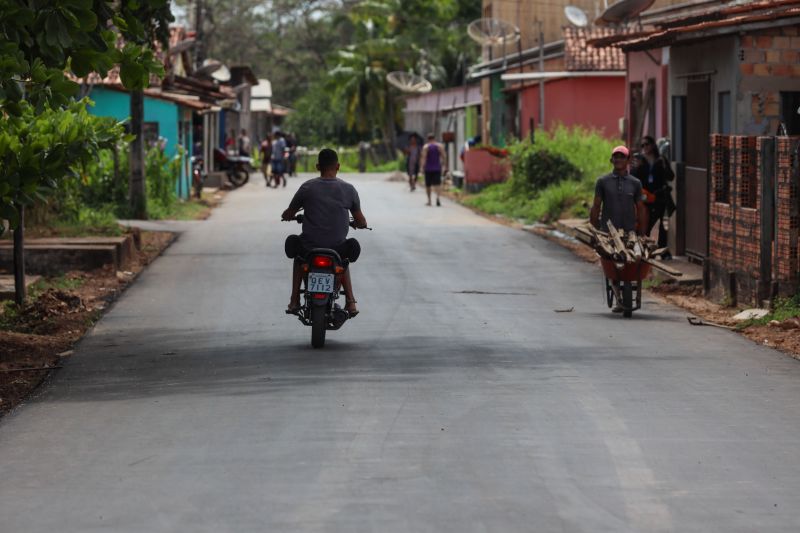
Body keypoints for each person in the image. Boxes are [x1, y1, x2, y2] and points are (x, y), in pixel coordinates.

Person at [281, 148, 367, 316]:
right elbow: (362, 221)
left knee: (298, 258)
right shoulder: (349, 189)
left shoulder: (307, 187)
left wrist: (288, 216)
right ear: (338, 166)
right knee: (344, 260)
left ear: (317, 166)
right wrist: (358, 224)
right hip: (337, 248)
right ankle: (350, 302)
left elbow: (289, 212)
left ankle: (294, 300)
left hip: (309, 248)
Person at [590, 145, 649, 312]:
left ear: (628, 160)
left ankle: (625, 294)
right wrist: (596, 232)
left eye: (622, 157)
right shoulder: (602, 182)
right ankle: (617, 293)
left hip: (629, 233)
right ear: (611, 160)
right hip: (609, 234)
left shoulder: (635, 183)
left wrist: (642, 233)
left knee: (631, 262)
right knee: (614, 263)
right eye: (615, 157)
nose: (618, 160)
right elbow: (596, 206)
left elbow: (641, 208)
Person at [633, 135, 675, 258]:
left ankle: (663, 252)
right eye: (642, 145)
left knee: (662, 226)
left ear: (652, 145)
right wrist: (638, 166)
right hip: (646, 197)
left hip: (660, 197)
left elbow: (671, 177)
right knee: (646, 224)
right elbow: (634, 177)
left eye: (647, 144)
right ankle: (645, 249)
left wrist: (665, 165)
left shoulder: (660, 159)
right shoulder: (640, 160)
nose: (644, 147)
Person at [420, 132, 447, 206]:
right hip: (437, 168)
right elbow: (444, 156)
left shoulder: (426, 147)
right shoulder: (439, 146)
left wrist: (422, 167)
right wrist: (445, 166)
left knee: (428, 185)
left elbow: (424, 158)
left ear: (428, 139)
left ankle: (429, 201)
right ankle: (438, 198)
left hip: (428, 169)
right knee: (437, 184)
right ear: (434, 138)